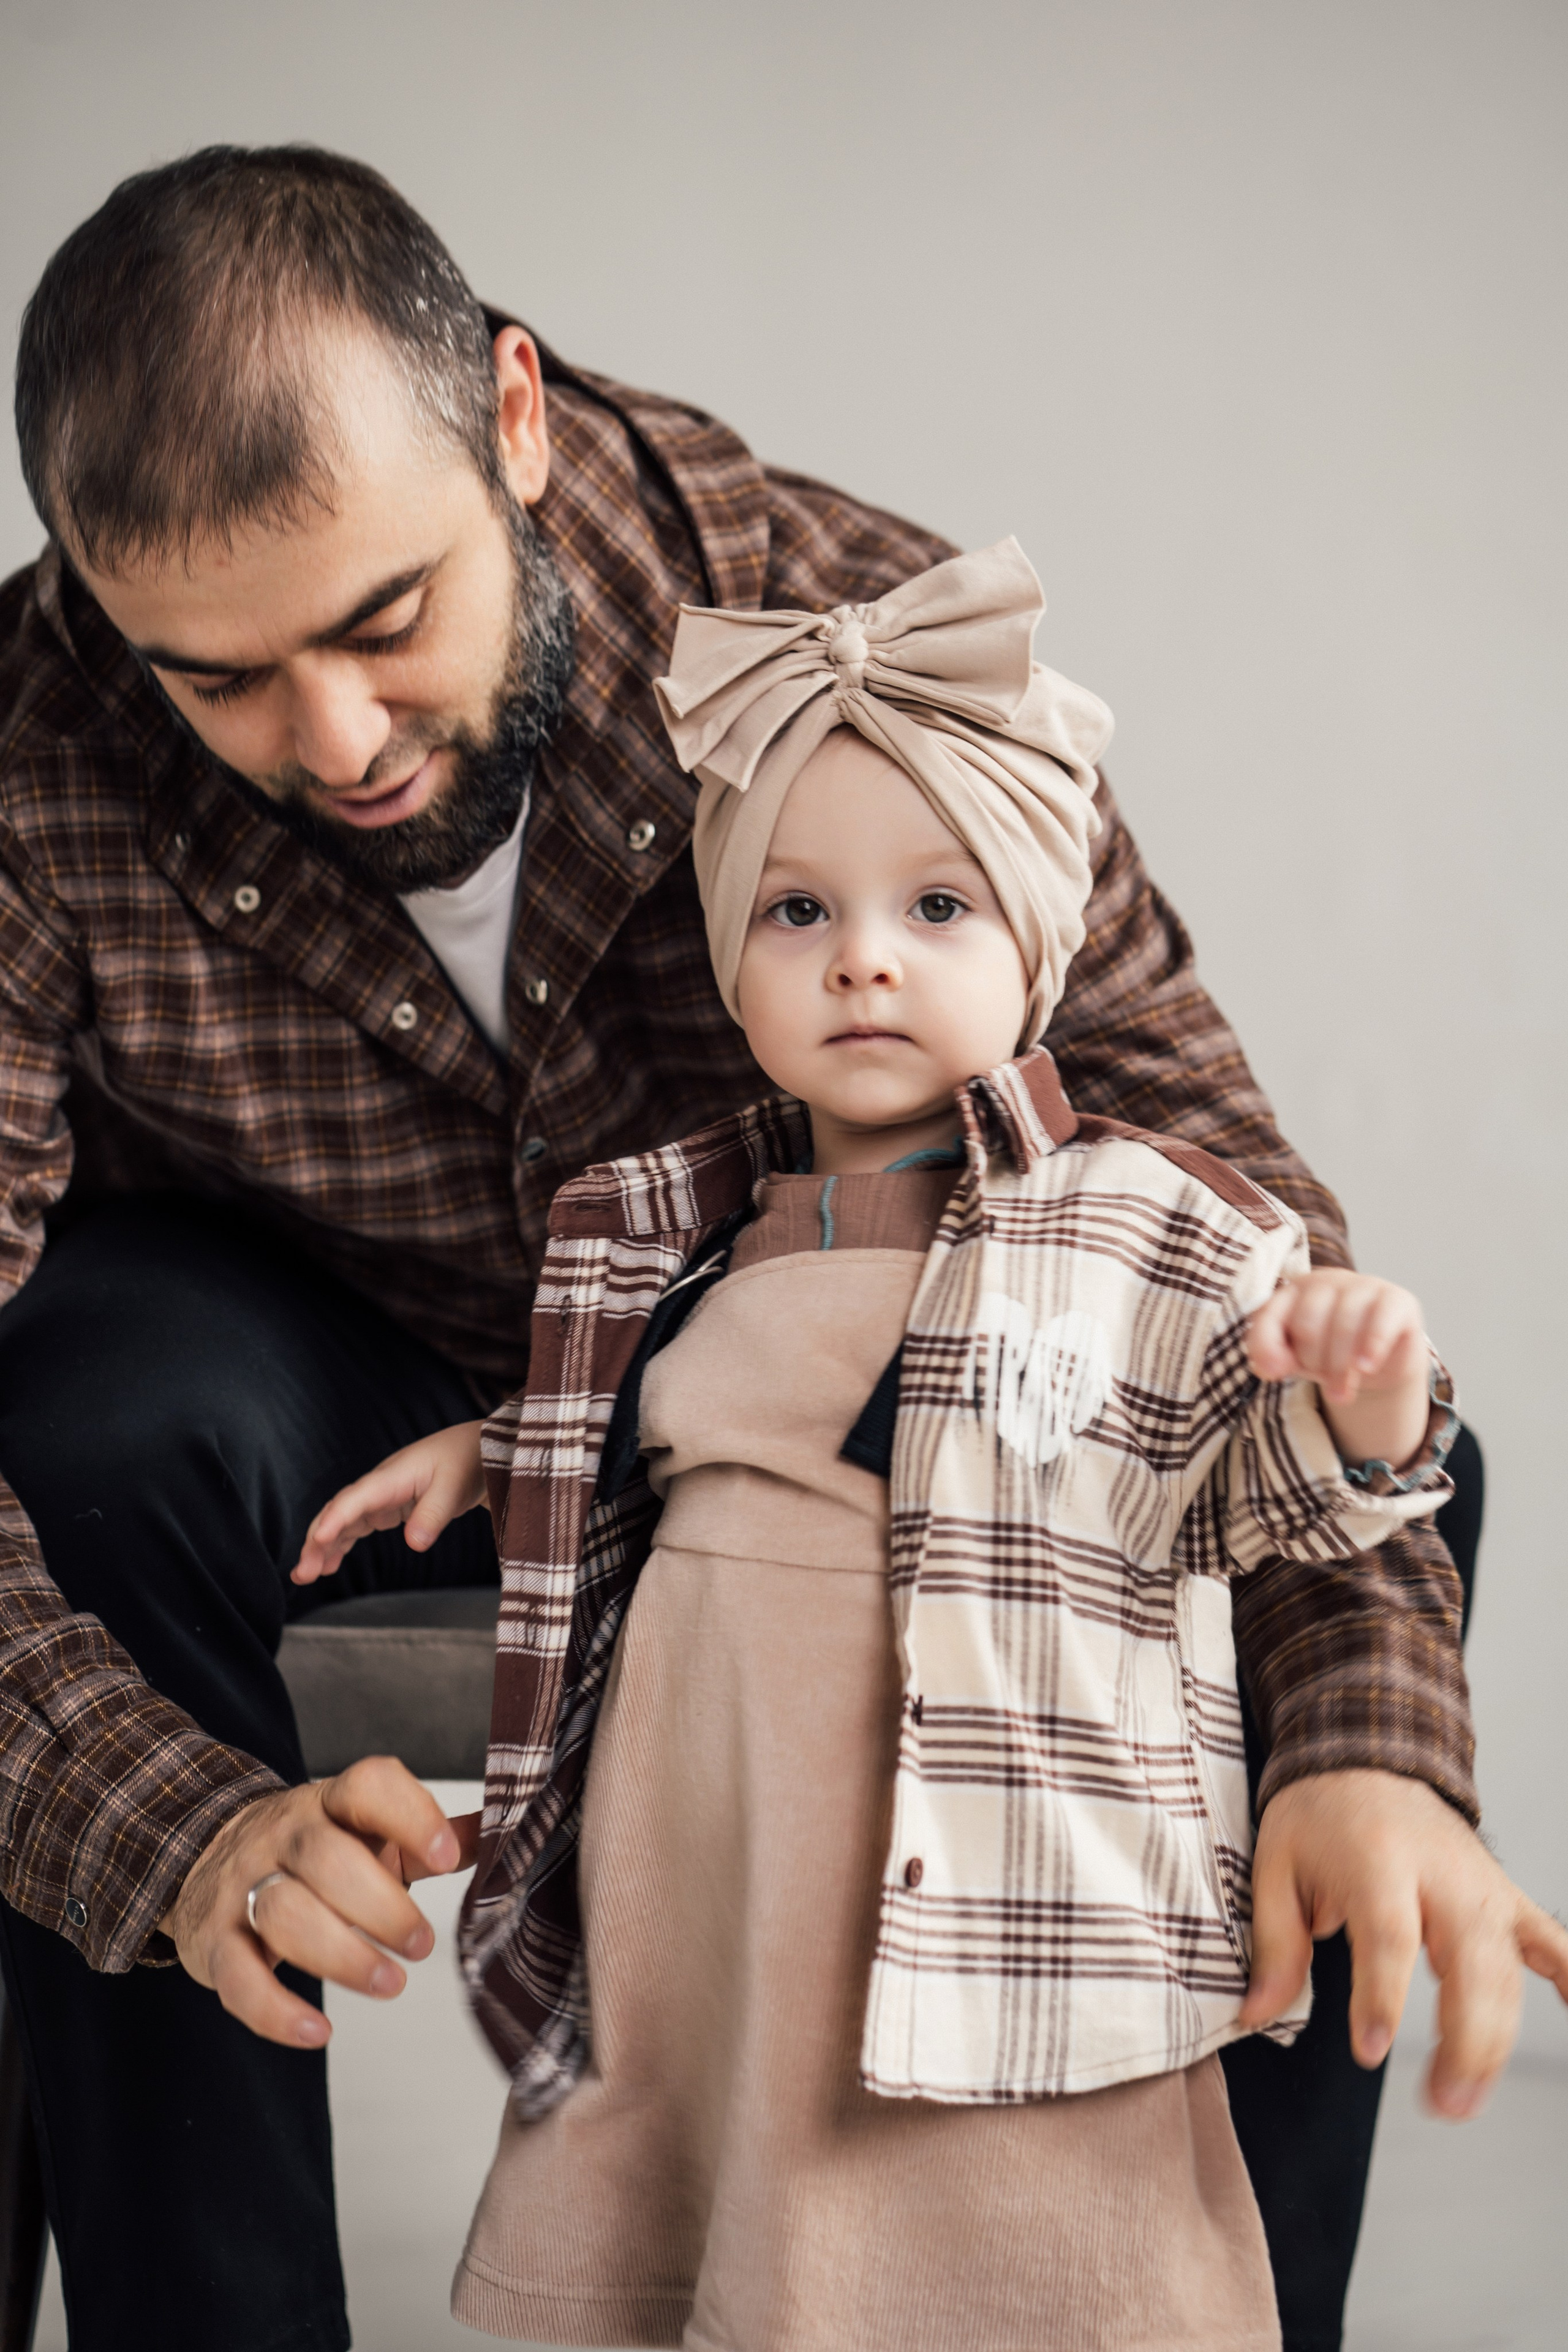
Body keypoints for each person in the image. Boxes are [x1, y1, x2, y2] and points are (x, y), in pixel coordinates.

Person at [0, 142, 1539, 2352]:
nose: (326, 743)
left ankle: (1212, 2310)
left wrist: (1373, 1738)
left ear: (512, 422)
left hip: (776, 1368)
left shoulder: (849, 623)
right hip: (298, 1396)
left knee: (1394, 1470)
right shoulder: (34, 737)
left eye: (380, 621)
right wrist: (159, 1830)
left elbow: (1216, 1187)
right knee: (94, 1420)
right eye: (217, 680)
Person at [296, 541, 1566, 2350]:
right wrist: (502, 1453)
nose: (865, 962)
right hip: (724, 1828)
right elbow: (680, 1434)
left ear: (1041, 949)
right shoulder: (678, 1231)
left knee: (1002, 2224)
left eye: (938, 910)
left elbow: (1267, 1499)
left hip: (993, 1836)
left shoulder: (1147, 1226)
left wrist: (1355, 1390)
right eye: (798, 911)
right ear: (733, 962)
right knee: (764, 2190)